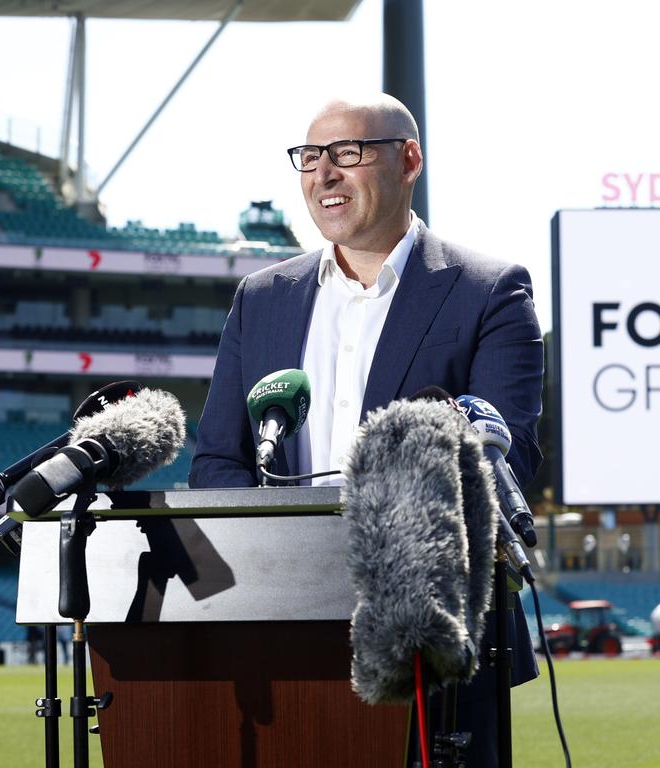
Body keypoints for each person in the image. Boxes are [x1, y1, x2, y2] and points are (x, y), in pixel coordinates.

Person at [190, 93, 543, 767]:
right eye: (310, 157)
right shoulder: (262, 298)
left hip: (435, 645)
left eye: (348, 153)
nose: (324, 173)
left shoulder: (490, 290)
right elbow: (218, 465)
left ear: (408, 160)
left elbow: (507, 459)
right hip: (282, 629)